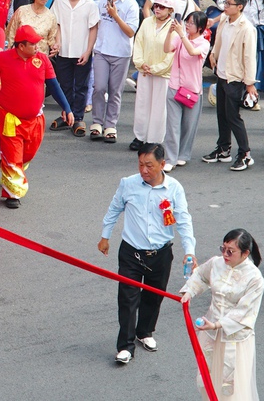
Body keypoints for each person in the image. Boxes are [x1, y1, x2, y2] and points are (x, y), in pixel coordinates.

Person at [99, 142, 196, 364]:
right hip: (131, 252)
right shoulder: (128, 184)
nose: (144, 170)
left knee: (155, 295)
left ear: (162, 164)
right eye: (141, 164)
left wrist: (189, 251)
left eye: (149, 165)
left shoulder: (174, 189)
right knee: (127, 298)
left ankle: (144, 332)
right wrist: (105, 236)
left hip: (161, 254)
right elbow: (114, 209)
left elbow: (183, 220)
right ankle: (125, 346)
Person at [0, 25, 74, 208]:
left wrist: (66, 108)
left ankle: (8, 165)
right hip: (10, 119)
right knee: (14, 157)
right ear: (21, 46)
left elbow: (54, 85)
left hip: (35, 120)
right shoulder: (3, 58)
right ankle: (12, 194)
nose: (37, 47)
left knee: (27, 155)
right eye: (33, 44)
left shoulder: (43, 59)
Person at [180, 228, 264, 400]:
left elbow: (244, 312)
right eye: (223, 249)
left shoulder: (255, 278)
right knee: (208, 379)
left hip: (234, 339)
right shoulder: (216, 263)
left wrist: (217, 325)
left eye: (230, 251)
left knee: (233, 388)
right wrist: (189, 292)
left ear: (245, 253)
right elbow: (200, 276)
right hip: (211, 333)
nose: (225, 254)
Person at [203, 0, 258, 171]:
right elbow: (219, 41)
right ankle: (223, 149)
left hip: (235, 77)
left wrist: (249, 83)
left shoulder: (246, 28)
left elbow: (249, 57)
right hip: (221, 74)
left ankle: (245, 154)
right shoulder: (225, 20)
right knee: (222, 114)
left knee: (233, 117)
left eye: (229, 4)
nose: (225, 6)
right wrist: (213, 54)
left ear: (239, 7)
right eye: (225, 3)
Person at [90, 0, 139, 143]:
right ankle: (97, 122)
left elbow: (130, 32)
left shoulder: (131, 4)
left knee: (115, 91)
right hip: (101, 50)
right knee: (99, 87)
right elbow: (96, 22)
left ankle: (110, 125)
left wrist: (115, 16)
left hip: (121, 53)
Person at [51, 0, 99, 135]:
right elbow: (56, 24)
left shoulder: (89, 4)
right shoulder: (59, 1)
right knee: (64, 85)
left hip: (82, 51)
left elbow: (93, 28)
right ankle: (66, 115)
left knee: (81, 86)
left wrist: (88, 51)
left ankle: (77, 117)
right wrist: (57, 42)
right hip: (64, 51)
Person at [162, 12, 210, 171]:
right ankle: (170, 158)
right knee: (172, 125)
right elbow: (166, 49)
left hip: (192, 90)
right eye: (187, 22)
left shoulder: (204, 43)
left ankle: (183, 155)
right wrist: (170, 33)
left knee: (189, 126)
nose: (187, 25)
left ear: (200, 27)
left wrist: (181, 35)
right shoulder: (179, 38)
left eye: (191, 23)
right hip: (175, 86)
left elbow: (193, 52)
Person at [130, 0, 176, 149]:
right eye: (156, 6)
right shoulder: (147, 22)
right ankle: (139, 136)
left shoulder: (174, 27)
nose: (157, 9)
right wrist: (140, 63)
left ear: (170, 10)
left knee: (159, 107)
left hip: (163, 74)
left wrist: (156, 69)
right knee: (142, 104)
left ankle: (154, 139)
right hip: (145, 71)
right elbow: (138, 43)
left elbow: (172, 54)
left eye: (162, 7)